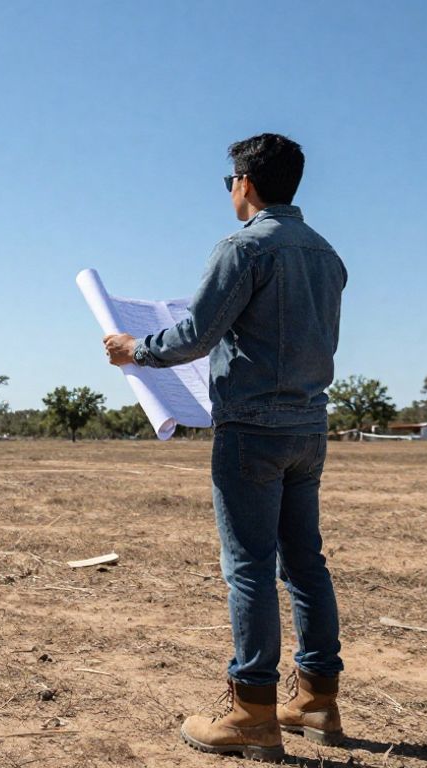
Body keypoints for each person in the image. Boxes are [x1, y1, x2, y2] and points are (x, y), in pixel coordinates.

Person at [103, 133, 347, 762]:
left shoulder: (242, 248)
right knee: (305, 563)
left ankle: (252, 712)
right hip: (309, 428)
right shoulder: (327, 255)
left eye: (228, 182)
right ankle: (318, 700)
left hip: (251, 431)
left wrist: (137, 350)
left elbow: (196, 334)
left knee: (249, 566)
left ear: (245, 183)